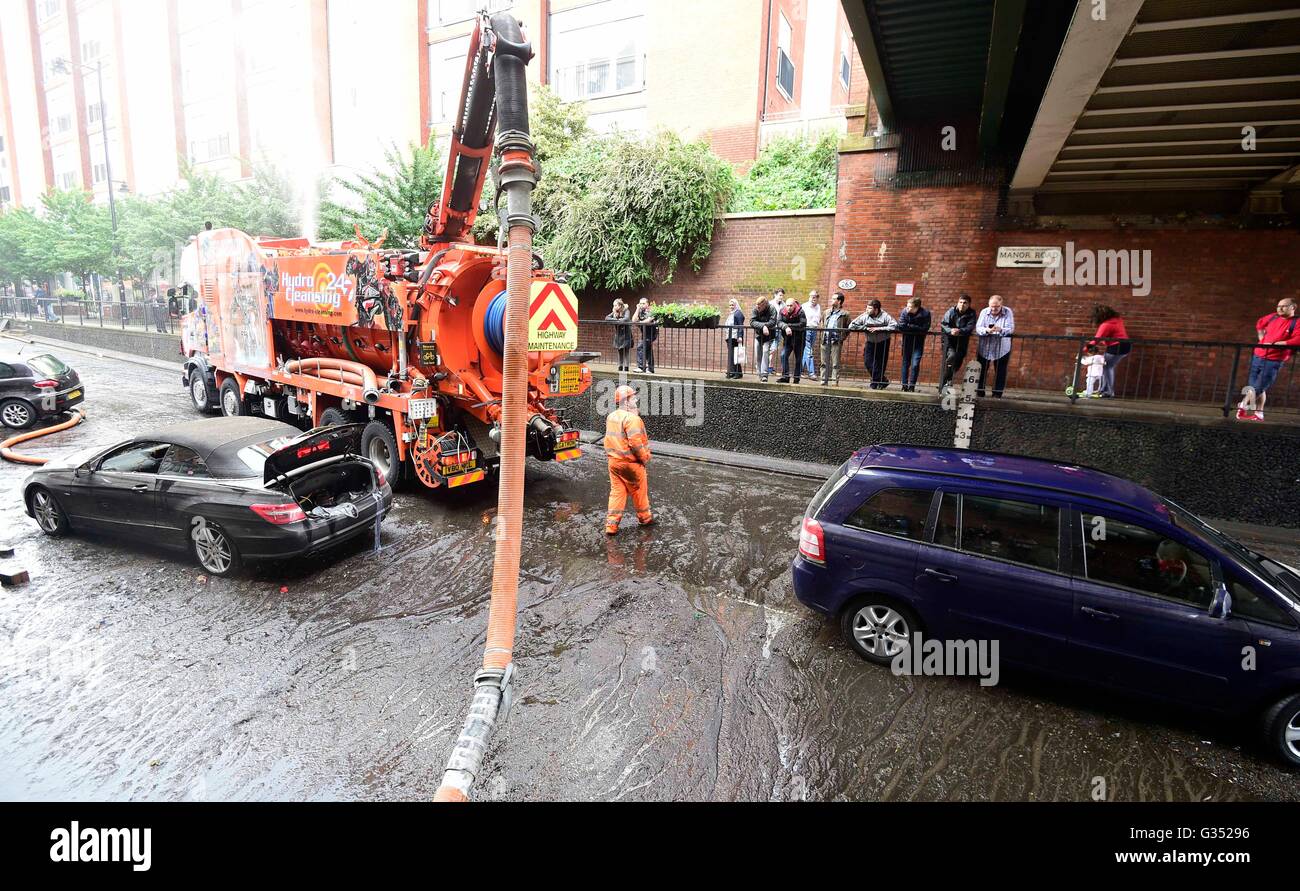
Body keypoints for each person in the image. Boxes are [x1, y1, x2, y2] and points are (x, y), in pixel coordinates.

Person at [1238, 297, 1300, 422]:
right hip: (1258, 355)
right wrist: (1261, 338)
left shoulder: (1297, 322)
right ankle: (1259, 414)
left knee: (1259, 386)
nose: (1280, 308)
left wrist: (1280, 343)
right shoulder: (1273, 317)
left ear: (1293, 307)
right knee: (1255, 386)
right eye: (1278, 306)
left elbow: (1298, 339)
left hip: (1274, 360)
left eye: (1284, 306)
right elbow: (1260, 323)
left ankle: (1243, 405)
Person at [604, 384, 653, 535]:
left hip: (614, 463)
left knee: (617, 492)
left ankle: (611, 525)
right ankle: (645, 518)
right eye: (633, 397)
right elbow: (636, 444)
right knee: (639, 490)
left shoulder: (611, 416)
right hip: (631, 464)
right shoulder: (633, 419)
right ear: (626, 401)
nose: (636, 400)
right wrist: (644, 458)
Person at [849, 299, 896, 389]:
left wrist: (879, 329)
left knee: (880, 364)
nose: (867, 310)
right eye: (867, 308)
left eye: (869, 308)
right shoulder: (865, 315)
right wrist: (865, 328)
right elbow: (852, 325)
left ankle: (875, 383)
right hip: (870, 342)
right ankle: (882, 380)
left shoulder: (885, 316)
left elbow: (894, 325)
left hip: (883, 342)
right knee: (868, 362)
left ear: (876, 309)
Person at [975, 294, 1015, 398]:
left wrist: (1000, 329)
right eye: (992, 306)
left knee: (1000, 371)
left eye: (996, 307)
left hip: (1002, 347)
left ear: (1001, 305)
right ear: (989, 305)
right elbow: (978, 328)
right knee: (981, 369)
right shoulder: (984, 312)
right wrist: (986, 330)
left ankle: (997, 394)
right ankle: (980, 392)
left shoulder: (1007, 312)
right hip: (985, 346)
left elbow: (1010, 329)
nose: (993, 309)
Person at [1087, 304, 1130, 398]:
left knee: (1107, 367)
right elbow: (1115, 334)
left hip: (1116, 347)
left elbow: (1096, 339)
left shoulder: (1105, 325)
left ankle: (1108, 392)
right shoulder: (1118, 320)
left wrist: (1085, 348)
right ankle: (1105, 390)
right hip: (1126, 345)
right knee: (1108, 366)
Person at [939, 293, 977, 390]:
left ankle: (949, 379)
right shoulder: (951, 311)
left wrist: (960, 331)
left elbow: (970, 327)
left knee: (958, 362)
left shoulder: (971, 313)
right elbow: (944, 324)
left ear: (969, 304)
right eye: (960, 302)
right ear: (957, 302)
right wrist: (951, 330)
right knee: (951, 357)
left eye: (965, 303)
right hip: (949, 341)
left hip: (962, 342)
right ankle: (943, 383)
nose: (962, 304)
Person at [894, 296, 931, 392]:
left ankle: (912, 386)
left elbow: (925, 329)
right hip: (907, 341)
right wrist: (915, 327)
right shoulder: (905, 312)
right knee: (905, 364)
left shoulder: (925, 313)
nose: (908, 308)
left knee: (915, 364)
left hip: (919, 342)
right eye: (907, 306)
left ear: (917, 307)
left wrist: (910, 326)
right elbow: (901, 326)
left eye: (910, 307)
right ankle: (904, 385)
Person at [820, 292, 849, 386]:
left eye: (833, 299)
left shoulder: (845, 314)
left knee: (835, 363)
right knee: (823, 362)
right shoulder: (826, 312)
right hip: (825, 339)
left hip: (836, 341)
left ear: (839, 301)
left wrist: (842, 338)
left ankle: (834, 381)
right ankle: (823, 380)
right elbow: (822, 322)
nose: (831, 300)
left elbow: (848, 328)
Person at [776, 298, 807, 384]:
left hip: (799, 339)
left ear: (794, 305)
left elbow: (802, 324)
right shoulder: (782, 311)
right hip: (788, 339)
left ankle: (796, 378)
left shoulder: (800, 312)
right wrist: (785, 327)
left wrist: (788, 326)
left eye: (791, 305)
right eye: (787, 305)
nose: (789, 307)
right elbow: (778, 322)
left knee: (798, 359)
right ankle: (786, 377)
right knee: (783, 355)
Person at [750, 296, 777, 382]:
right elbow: (752, 322)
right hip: (758, 335)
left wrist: (765, 326)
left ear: (764, 305)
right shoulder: (755, 309)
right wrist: (763, 326)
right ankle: (759, 373)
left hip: (769, 336)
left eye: (759, 306)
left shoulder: (772, 309)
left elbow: (773, 322)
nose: (757, 308)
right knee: (758, 354)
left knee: (765, 352)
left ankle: (764, 374)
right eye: (756, 306)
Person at [606, 299, 632, 372]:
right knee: (619, 350)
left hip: (626, 333)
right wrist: (615, 319)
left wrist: (617, 321)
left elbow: (626, 318)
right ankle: (620, 366)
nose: (614, 307)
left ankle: (626, 367)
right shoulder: (614, 312)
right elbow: (607, 318)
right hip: (618, 334)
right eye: (613, 305)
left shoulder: (626, 310)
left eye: (615, 305)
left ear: (620, 305)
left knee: (626, 351)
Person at [634, 297, 657, 374]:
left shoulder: (651, 311)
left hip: (651, 333)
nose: (641, 305)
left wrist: (640, 322)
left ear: (647, 304)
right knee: (648, 350)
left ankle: (641, 367)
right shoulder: (640, 311)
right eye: (640, 303)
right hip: (644, 333)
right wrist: (637, 309)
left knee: (640, 347)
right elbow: (634, 320)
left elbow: (648, 320)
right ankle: (650, 369)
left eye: (643, 303)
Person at [723, 297, 745, 379]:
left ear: (736, 305)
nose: (731, 306)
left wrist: (740, 336)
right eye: (730, 305)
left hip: (735, 337)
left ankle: (737, 373)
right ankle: (732, 371)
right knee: (731, 355)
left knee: (736, 355)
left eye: (733, 305)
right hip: (729, 337)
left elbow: (740, 326)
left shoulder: (738, 313)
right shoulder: (731, 314)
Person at [802, 290, 822, 378]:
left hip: (814, 330)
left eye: (814, 297)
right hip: (806, 330)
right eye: (811, 296)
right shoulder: (804, 306)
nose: (812, 298)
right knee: (809, 351)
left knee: (806, 351)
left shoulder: (818, 306)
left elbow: (818, 319)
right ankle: (811, 373)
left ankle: (799, 371)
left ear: (817, 298)